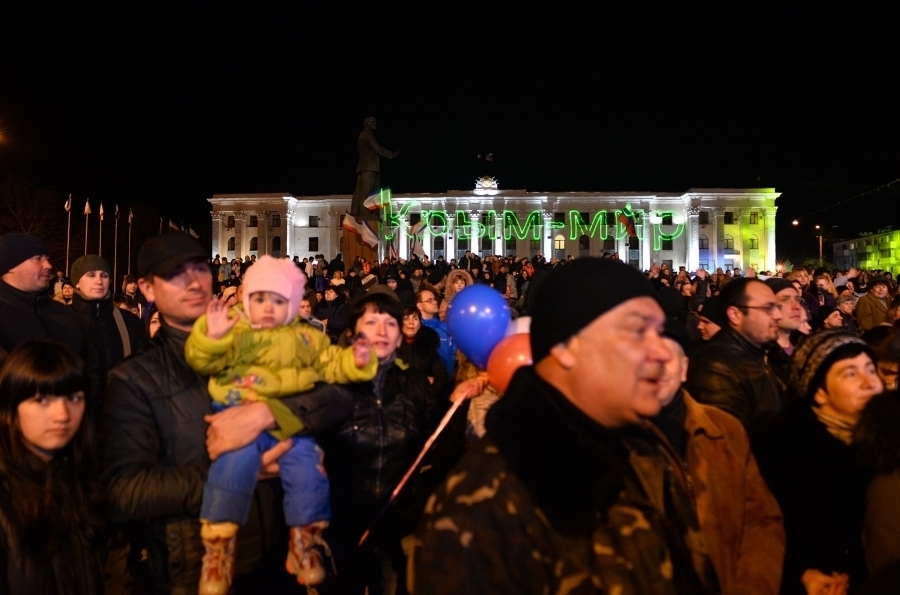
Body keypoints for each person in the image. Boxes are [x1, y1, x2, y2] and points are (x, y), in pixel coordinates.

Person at [410, 258, 718, 594]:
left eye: (659, 332)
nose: (662, 352)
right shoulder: (478, 508)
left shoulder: (650, 459)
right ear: (567, 346)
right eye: (637, 330)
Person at [102, 233, 344, 594]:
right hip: (197, 566)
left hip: (278, 557)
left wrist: (271, 412)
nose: (193, 281)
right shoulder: (134, 378)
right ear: (146, 289)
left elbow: (339, 396)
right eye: (174, 273)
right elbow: (122, 491)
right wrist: (236, 475)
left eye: (200, 267)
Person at [184, 255, 377, 592]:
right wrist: (212, 338)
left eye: (278, 300)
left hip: (288, 425)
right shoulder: (233, 330)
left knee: (309, 474)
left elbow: (332, 364)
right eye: (260, 299)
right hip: (238, 414)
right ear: (246, 299)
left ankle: (303, 545)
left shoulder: (305, 338)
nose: (268, 308)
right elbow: (201, 360)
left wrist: (357, 359)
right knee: (231, 472)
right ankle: (217, 554)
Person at [318, 292, 483, 594]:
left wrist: (456, 406)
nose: (382, 331)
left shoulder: (414, 387)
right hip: (345, 529)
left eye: (390, 323)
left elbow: (438, 447)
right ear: (353, 333)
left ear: (399, 337)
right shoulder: (332, 387)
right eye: (371, 322)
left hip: (400, 523)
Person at [652, 321, 785, 595]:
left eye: (668, 357)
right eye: (649, 358)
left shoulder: (724, 429)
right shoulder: (613, 436)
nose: (658, 367)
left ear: (685, 368)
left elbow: (760, 519)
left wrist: (752, 586)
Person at [755, 330, 883, 595]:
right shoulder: (786, 449)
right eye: (850, 374)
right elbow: (767, 530)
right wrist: (801, 573)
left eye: (871, 370)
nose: (869, 382)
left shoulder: (885, 434)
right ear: (819, 392)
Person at [0, 340, 105, 593]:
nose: (63, 415)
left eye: (73, 398)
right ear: (11, 407)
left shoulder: (77, 478)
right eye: (42, 400)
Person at [0, 233, 100, 400]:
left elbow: (91, 366)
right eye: (38, 258)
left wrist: (87, 412)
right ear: (10, 266)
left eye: (47, 258)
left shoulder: (65, 314)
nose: (48, 265)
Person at [685, 278, 786, 440]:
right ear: (735, 314)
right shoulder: (716, 367)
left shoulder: (765, 353)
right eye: (768, 308)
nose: (778, 316)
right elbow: (727, 444)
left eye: (777, 307)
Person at [69, 255, 147, 399]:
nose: (99, 281)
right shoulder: (63, 319)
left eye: (104, 276)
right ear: (77, 282)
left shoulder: (129, 321)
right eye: (91, 275)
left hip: (120, 407)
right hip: (76, 409)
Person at [351, 116, 399, 218]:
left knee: (367, 191)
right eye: (372, 121)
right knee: (367, 191)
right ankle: (365, 213)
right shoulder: (367, 135)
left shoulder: (365, 135)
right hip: (368, 167)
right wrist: (391, 154)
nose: (374, 123)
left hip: (368, 167)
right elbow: (377, 148)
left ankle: (365, 212)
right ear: (367, 124)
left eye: (375, 121)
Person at [415, 289, 456, 377]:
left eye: (434, 299)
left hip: (445, 381)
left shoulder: (446, 327)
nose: (435, 302)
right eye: (430, 300)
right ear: (420, 305)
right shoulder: (414, 328)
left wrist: (447, 377)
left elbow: (452, 355)